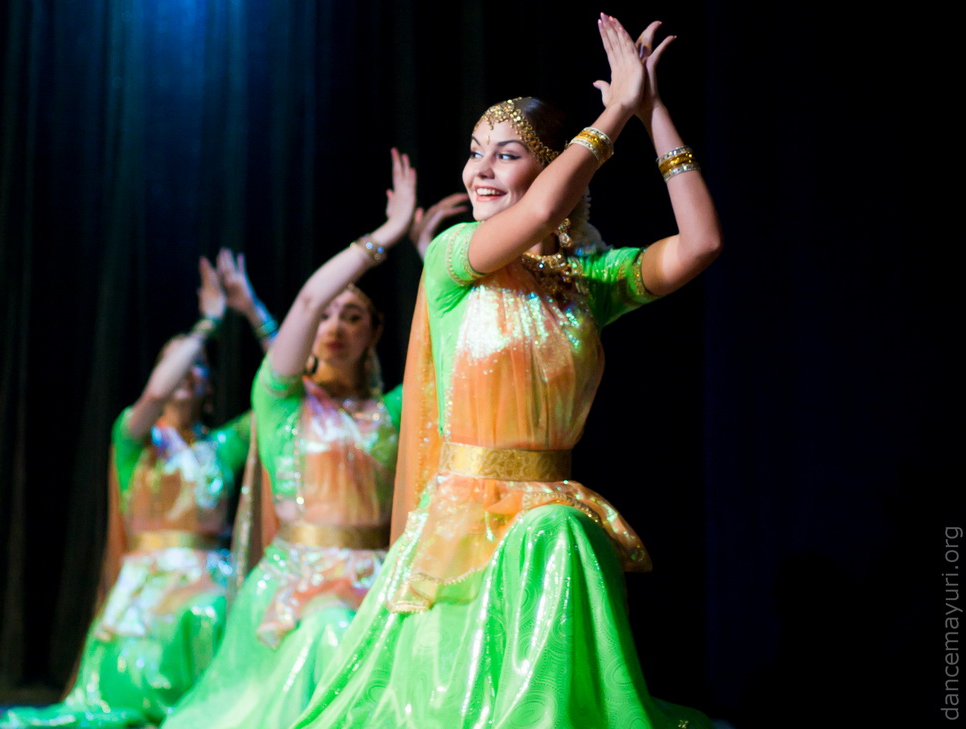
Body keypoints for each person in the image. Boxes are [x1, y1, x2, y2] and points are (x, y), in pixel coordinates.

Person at [290, 14, 722, 729]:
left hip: (545, 523)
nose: (479, 170)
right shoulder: (456, 256)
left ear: (551, 164)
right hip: (463, 532)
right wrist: (615, 110)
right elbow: (546, 207)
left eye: (506, 154)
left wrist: (652, 112)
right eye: (474, 153)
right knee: (556, 535)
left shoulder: (588, 280)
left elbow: (701, 243)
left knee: (558, 532)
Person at [160, 150, 418, 729]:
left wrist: (433, 261)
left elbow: (449, 350)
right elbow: (306, 301)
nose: (334, 326)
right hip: (297, 588)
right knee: (328, 631)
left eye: (352, 316)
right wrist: (387, 235)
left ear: (375, 331)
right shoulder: (280, 402)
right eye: (327, 316)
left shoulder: (395, 409)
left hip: (377, 581)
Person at [0, 251, 277, 729]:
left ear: (210, 385)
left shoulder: (224, 447)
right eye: (178, 364)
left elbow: (285, 385)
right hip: (145, 590)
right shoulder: (135, 439)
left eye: (199, 366)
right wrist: (207, 325)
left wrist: (252, 310)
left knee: (214, 612)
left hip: (209, 580)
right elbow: (155, 394)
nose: (187, 373)